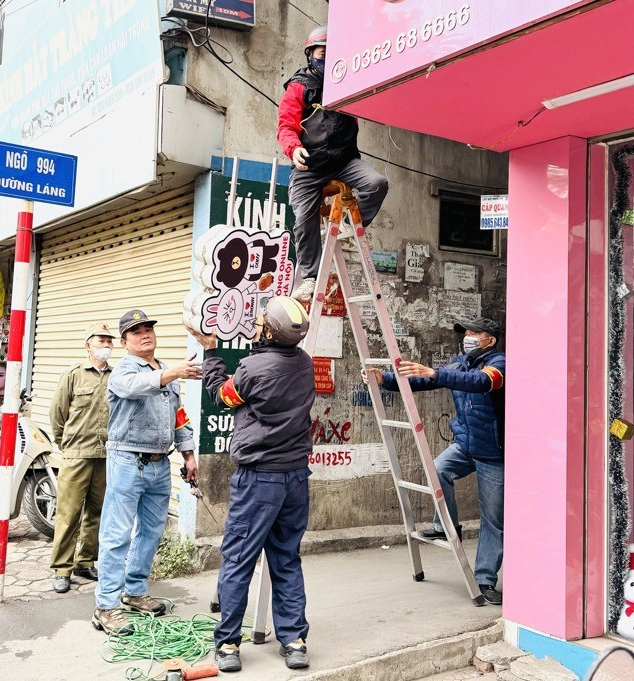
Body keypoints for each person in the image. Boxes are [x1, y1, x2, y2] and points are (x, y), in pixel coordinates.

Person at [190, 296, 316, 672]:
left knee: (239, 560)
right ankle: (294, 641)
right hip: (296, 477)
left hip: (261, 481)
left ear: (270, 331)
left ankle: (228, 644)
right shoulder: (305, 363)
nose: (258, 323)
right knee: (286, 558)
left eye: (263, 320)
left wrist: (212, 352)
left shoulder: (254, 367)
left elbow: (222, 395)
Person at [363, 317, 506, 605]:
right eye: (466, 332)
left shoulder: (500, 364)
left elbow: (481, 383)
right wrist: (385, 379)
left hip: (495, 453)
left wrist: (436, 373)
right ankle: (445, 525)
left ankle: (485, 579)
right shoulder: (459, 362)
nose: (468, 336)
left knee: (492, 519)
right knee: (437, 470)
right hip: (465, 444)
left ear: (490, 339)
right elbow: (420, 380)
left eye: (474, 333)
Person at [92, 310, 201, 635]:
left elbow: (178, 415)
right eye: (136, 331)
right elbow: (133, 389)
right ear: (124, 342)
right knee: (116, 535)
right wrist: (171, 374)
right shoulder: (123, 371)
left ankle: (135, 591)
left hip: (159, 463)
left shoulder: (167, 371)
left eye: (148, 328)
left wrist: (189, 454)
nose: (145, 334)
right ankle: (106, 607)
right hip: (127, 461)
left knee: (151, 532)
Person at [277, 24, 389, 302]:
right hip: (309, 166)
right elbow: (285, 126)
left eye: (332, 54)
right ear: (310, 55)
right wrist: (294, 150)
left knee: (378, 183)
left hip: (345, 161)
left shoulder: (348, 82)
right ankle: (311, 277)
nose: (327, 59)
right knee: (303, 218)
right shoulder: (299, 87)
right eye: (322, 54)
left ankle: (350, 227)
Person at [49, 323, 115, 594]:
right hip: (77, 454)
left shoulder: (117, 375)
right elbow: (57, 415)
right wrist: (67, 444)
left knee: (97, 512)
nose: (106, 346)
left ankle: (85, 561)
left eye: (110, 341)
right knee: (68, 514)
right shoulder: (74, 375)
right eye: (101, 341)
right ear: (88, 345)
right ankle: (62, 568)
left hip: (107, 454)